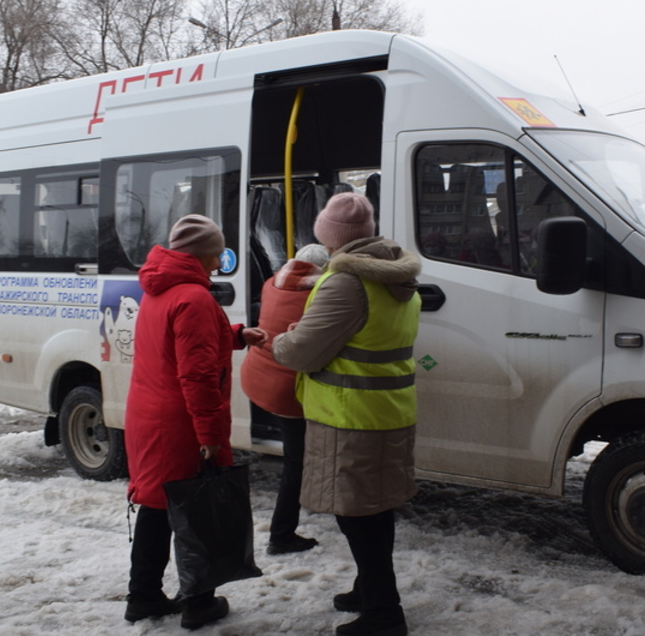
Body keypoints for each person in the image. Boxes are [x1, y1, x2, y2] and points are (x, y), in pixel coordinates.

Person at [273, 193, 422, 636]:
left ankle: (383, 612)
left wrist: (282, 338)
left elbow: (301, 352)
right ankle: (368, 590)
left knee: (358, 515)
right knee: (375, 510)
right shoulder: (396, 277)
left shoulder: (345, 283)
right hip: (387, 411)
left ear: (329, 237)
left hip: (350, 417)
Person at [123, 214, 266, 631]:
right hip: (181, 423)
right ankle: (199, 603)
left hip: (151, 415)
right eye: (218, 252)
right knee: (196, 511)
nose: (220, 259)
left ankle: (143, 596)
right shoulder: (195, 298)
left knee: (156, 507)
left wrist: (237, 335)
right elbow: (198, 376)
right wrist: (209, 436)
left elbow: (182, 347)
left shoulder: (160, 290)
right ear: (209, 254)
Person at [240, 243, 330, 556]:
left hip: (258, 377)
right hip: (287, 388)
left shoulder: (271, 283)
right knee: (297, 462)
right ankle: (281, 535)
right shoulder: (317, 294)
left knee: (299, 455)